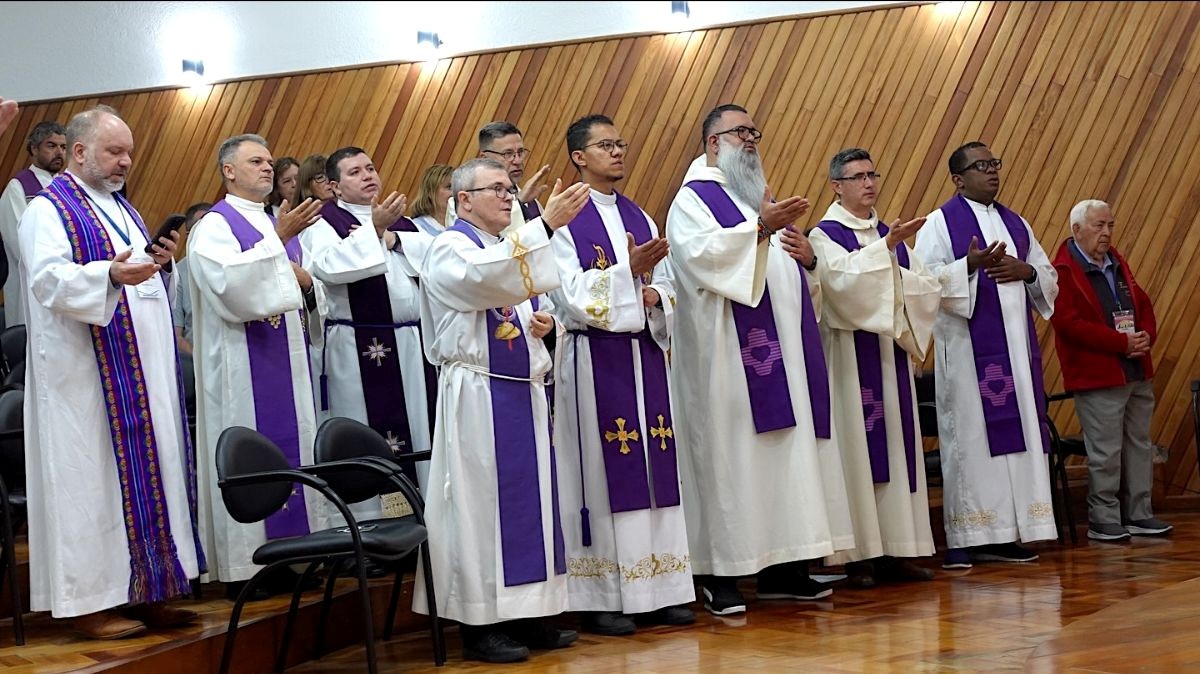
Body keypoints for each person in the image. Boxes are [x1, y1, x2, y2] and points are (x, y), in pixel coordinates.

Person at [19, 105, 204, 639]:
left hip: (142, 375)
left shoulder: (123, 208)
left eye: (129, 153)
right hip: (84, 378)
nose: (125, 161)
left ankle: (149, 590)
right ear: (79, 152)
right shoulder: (47, 209)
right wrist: (111, 275)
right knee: (91, 482)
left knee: (154, 473)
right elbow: (48, 280)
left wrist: (158, 265)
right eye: (114, 151)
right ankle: (90, 603)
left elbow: (140, 281)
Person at [666, 103, 853, 616]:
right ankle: (720, 572)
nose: (750, 139)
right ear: (712, 143)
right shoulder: (693, 200)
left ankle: (784, 568)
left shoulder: (753, 198)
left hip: (783, 358)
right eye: (739, 132)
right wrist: (759, 228)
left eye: (754, 132)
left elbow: (789, 277)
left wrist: (805, 261)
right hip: (727, 363)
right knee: (731, 460)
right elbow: (703, 259)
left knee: (785, 460)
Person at [407, 158, 590, 663]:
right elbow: (481, 281)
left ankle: (529, 612)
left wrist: (546, 329)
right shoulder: (451, 246)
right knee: (480, 506)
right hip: (476, 396)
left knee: (532, 503)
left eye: (510, 189)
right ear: (463, 200)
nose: (508, 197)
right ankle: (481, 623)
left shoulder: (501, 246)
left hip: (519, 393)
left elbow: (522, 299)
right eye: (497, 189)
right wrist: (545, 225)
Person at [549, 115, 694, 635]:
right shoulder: (565, 218)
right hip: (595, 359)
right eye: (605, 145)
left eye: (620, 143)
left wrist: (655, 294)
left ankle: (660, 587)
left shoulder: (640, 215)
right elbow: (567, 294)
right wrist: (626, 274)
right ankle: (604, 595)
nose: (617, 152)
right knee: (601, 472)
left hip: (644, 355)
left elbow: (668, 283)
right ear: (579, 157)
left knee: (655, 470)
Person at [187, 133, 325, 592]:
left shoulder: (273, 219)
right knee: (250, 453)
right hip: (241, 369)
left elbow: (306, 283)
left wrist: (309, 286)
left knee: (294, 447)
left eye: (269, 161)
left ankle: (294, 556)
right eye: (255, 162)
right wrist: (278, 240)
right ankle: (247, 568)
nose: (268, 167)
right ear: (229, 171)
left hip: (288, 361)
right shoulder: (214, 226)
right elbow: (229, 288)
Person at [913, 141, 1058, 569]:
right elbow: (923, 284)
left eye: (994, 163)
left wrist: (1025, 271)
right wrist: (968, 266)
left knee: (1018, 440)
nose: (992, 171)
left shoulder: (1017, 223)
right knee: (972, 442)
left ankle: (1009, 531)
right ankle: (969, 535)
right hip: (967, 357)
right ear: (958, 180)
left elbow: (1047, 274)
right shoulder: (940, 223)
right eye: (981, 166)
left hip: (1017, 355)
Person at [808, 148, 941, 587]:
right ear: (837, 186)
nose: (868, 183)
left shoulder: (888, 232)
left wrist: (894, 269)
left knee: (896, 450)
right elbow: (836, 286)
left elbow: (924, 285)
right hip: (849, 362)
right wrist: (884, 253)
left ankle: (896, 549)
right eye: (858, 177)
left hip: (888, 359)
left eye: (872, 175)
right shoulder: (824, 235)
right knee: (855, 452)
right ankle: (859, 557)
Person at [300, 146, 435, 522]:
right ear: (334, 186)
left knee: (419, 428)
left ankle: (421, 516)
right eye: (355, 172)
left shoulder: (400, 222)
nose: (368, 176)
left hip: (411, 344)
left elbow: (435, 257)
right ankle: (370, 521)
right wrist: (374, 232)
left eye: (371, 168)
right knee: (365, 428)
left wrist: (395, 239)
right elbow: (328, 267)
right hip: (360, 347)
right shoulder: (323, 224)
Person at [1050, 200, 1171, 541]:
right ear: (1076, 230)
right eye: (1099, 226)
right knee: (1105, 451)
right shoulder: (1062, 271)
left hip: (1135, 369)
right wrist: (1121, 343)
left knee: (1139, 445)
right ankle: (1103, 518)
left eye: (1110, 225)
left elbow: (1142, 303)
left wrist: (1146, 335)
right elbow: (1069, 324)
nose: (1106, 233)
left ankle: (1139, 513)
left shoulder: (1116, 261)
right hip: (1098, 376)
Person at [1, 120, 66, 327]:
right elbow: (20, 242)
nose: (59, 152)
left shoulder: (68, 186)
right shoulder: (18, 187)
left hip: (65, 283)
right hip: (31, 283)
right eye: (51, 145)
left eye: (63, 147)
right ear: (34, 149)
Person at [445, 122, 552, 232]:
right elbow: (484, 240)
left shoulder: (532, 202)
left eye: (520, 152)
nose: (518, 161)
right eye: (508, 154)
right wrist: (519, 204)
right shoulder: (463, 203)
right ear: (485, 158)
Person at [171, 202, 212, 354]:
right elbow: (175, 336)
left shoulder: (236, 264)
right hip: (194, 360)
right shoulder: (178, 273)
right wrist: (203, 361)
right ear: (190, 235)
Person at [410, 163, 453, 235]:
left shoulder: (464, 226)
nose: (455, 192)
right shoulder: (416, 228)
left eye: (457, 187)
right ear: (430, 191)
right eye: (449, 187)